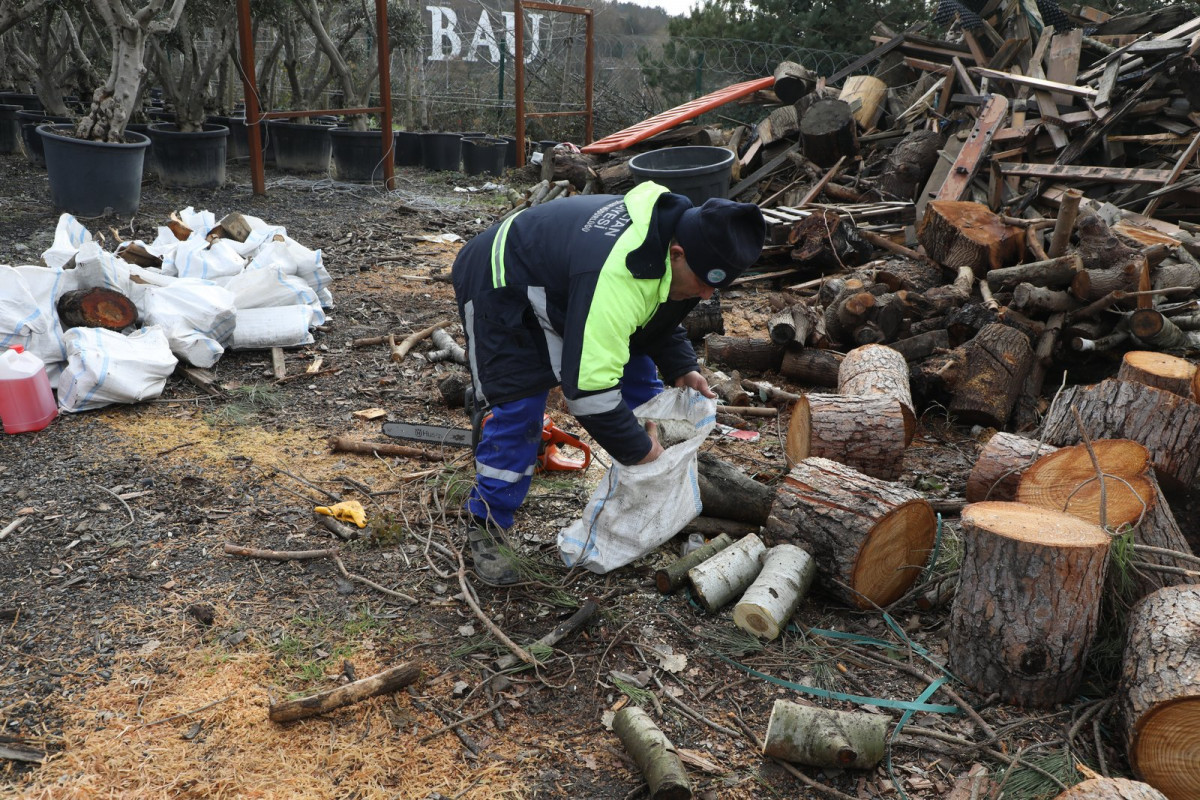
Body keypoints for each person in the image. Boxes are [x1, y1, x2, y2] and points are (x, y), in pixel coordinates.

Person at [451, 180, 766, 583]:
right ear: (677, 254)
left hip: (569, 283)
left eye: (715, 287)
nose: (706, 297)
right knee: (519, 408)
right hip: (500, 280)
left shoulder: (682, 246)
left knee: (644, 393)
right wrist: (640, 452)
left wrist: (681, 366)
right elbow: (588, 393)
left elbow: (655, 316)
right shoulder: (618, 273)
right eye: (704, 283)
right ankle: (487, 522)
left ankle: (648, 504)